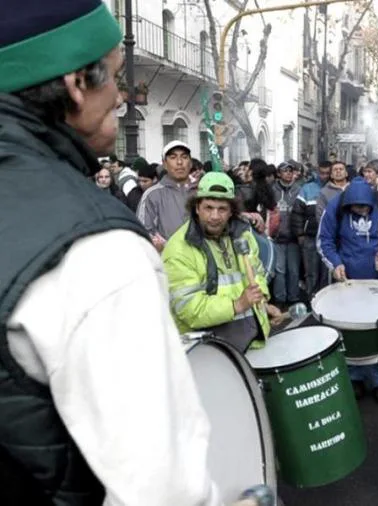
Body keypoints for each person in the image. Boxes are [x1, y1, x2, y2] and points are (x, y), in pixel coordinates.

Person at [0, 1, 262, 503]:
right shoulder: (97, 251)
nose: (122, 97)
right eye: (117, 78)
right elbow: (161, 488)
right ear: (77, 83)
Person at [162, 172, 278, 352]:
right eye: (208, 208)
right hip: (210, 353)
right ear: (197, 208)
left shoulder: (244, 235)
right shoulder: (178, 249)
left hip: (250, 343)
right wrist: (237, 305)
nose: (215, 216)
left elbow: (256, 275)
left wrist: (262, 302)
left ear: (231, 211)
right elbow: (188, 308)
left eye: (222, 209)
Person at [317, 177, 378, 403]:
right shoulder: (335, 206)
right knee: (350, 330)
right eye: (355, 208)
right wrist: (335, 264)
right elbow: (324, 241)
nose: (360, 211)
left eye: (364, 207)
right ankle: (354, 377)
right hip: (348, 280)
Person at [137, 140, 196, 252]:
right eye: (173, 157)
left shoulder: (201, 191)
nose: (179, 162)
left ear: (190, 163)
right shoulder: (152, 195)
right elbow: (143, 231)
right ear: (164, 164)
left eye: (184, 157)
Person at [292, 160, 332, 298]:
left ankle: (325, 300)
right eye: (322, 173)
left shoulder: (334, 190)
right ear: (317, 172)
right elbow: (297, 212)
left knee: (327, 272)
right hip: (310, 236)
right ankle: (311, 298)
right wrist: (300, 234)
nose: (324, 176)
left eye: (327, 173)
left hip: (328, 238)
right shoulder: (307, 189)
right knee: (311, 272)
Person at [271, 161, 303, 306]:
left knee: (294, 270)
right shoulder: (272, 190)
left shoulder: (299, 189)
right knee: (280, 270)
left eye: (291, 171)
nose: (288, 174)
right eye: (285, 171)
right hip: (277, 237)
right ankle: (280, 298)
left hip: (294, 237)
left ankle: (293, 297)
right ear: (279, 174)